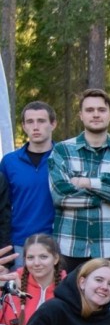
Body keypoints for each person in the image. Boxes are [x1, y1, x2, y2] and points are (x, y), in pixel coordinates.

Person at [49, 89, 110, 271]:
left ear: (109, 115)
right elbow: (61, 196)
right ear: (81, 115)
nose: (96, 114)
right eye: (90, 110)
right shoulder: (62, 151)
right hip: (70, 244)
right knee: (70, 299)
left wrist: (87, 183)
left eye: (101, 110)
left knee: (109, 298)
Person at [1, 101, 56, 266]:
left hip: (56, 243)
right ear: (24, 126)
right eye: (30, 122)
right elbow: (3, 206)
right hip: (20, 243)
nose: (36, 127)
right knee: (20, 291)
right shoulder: (9, 162)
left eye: (41, 121)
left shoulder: (64, 158)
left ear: (53, 124)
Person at [0, 233, 65, 325]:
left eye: (43, 257)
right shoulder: (10, 283)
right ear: (24, 260)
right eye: (30, 257)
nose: (36, 263)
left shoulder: (69, 288)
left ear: (55, 259)